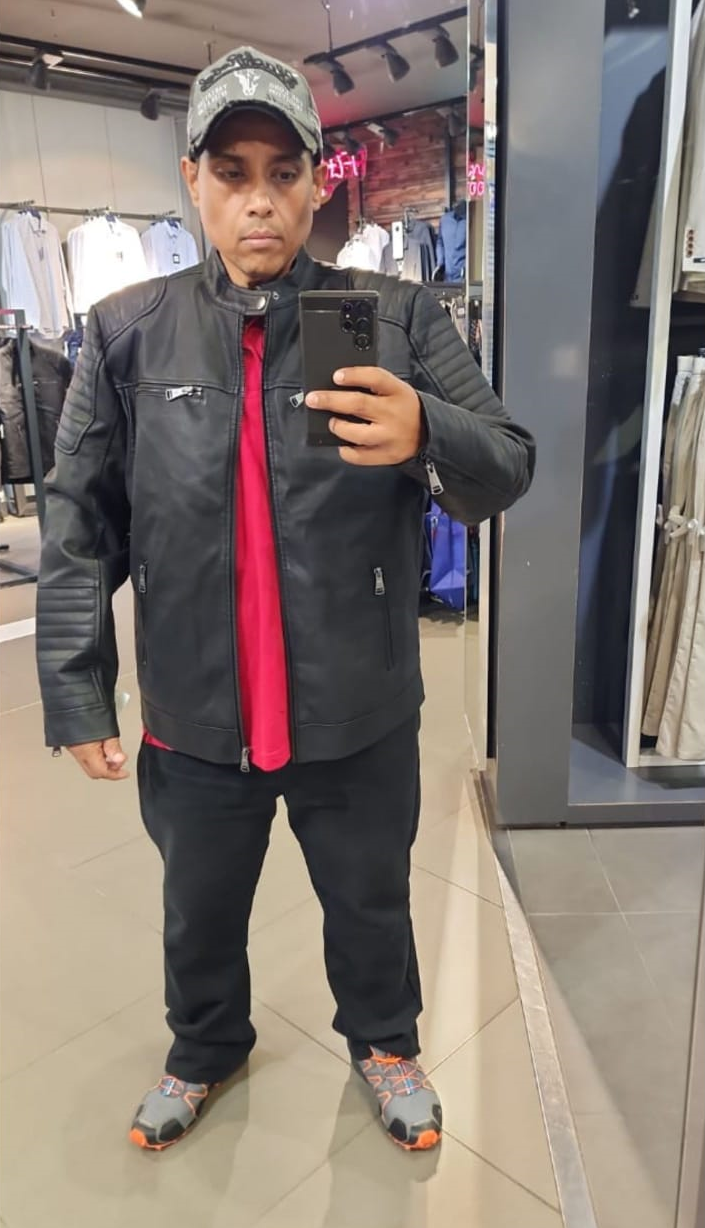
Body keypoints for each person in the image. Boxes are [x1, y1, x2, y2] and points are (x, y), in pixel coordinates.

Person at [36, 46, 535, 1154]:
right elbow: (78, 523)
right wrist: (75, 690)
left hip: (354, 702)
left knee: (369, 898)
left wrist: (428, 430)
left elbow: (506, 462)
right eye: (231, 173)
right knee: (198, 906)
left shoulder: (391, 318)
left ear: (317, 183)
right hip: (197, 709)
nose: (257, 200)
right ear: (193, 181)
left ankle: (385, 1042)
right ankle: (204, 1045)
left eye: (281, 172)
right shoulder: (126, 331)